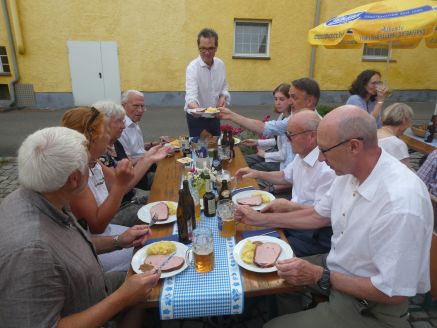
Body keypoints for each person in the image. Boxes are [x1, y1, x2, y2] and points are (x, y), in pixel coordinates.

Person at [236, 106, 432, 328]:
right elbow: (317, 215)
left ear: (354, 146)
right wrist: (262, 220)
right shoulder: (349, 171)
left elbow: (393, 292)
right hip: (338, 269)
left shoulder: (400, 203)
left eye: (325, 149)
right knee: (274, 275)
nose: (319, 158)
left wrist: (321, 276)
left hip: (371, 306)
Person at [0, 127, 160, 328]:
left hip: (92, 288)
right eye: (90, 163)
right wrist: (123, 297)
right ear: (74, 178)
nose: (94, 166)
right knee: (150, 291)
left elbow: (68, 244)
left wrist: (118, 241)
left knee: (152, 281)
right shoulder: (30, 251)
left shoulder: (45, 195)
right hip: (86, 307)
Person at [236, 110, 335, 257]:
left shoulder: (328, 168)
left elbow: (321, 217)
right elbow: (285, 176)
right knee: (247, 235)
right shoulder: (302, 155)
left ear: (312, 136)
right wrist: (256, 173)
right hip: (294, 219)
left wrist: (287, 208)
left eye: (290, 135)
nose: (287, 141)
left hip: (314, 234)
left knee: (257, 249)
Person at [93, 100, 170, 222]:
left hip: (130, 197)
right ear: (104, 124)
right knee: (167, 207)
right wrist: (147, 158)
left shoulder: (115, 143)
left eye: (142, 106)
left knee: (169, 194)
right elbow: (122, 188)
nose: (123, 126)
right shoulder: (100, 155)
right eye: (119, 121)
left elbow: (127, 169)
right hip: (119, 209)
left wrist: (149, 154)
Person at [218, 77, 320, 137]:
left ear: (309, 101)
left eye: (293, 97)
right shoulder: (297, 117)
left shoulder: (304, 122)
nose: (290, 101)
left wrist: (230, 115)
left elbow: (263, 127)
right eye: (276, 99)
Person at [185, 28, 230, 137]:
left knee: (216, 147)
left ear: (216, 48)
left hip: (214, 116)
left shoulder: (220, 65)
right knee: (199, 150)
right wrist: (196, 109)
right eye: (203, 48)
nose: (207, 52)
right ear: (198, 47)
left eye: (211, 48)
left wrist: (223, 97)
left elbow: (224, 87)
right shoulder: (192, 68)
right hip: (197, 118)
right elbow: (191, 96)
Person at [243, 83, 294, 172]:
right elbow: (278, 140)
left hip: (283, 164)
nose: (278, 103)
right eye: (276, 99)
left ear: (290, 100)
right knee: (245, 161)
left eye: (282, 99)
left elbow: (284, 155)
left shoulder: (291, 121)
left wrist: (265, 155)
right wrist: (257, 142)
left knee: (251, 169)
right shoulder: (282, 116)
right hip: (276, 156)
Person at [377, 102, 413, 167]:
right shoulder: (398, 145)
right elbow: (405, 174)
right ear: (404, 121)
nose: (409, 126)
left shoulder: (372, 134)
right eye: (410, 122)